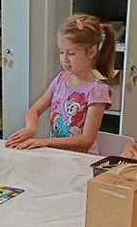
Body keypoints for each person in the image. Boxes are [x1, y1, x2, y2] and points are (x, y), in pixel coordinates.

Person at [6, 14, 114, 154]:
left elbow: (86, 140)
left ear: (92, 52)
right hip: (58, 156)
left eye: (71, 53)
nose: (65, 59)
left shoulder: (97, 90)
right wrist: (31, 128)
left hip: (81, 160)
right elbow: (34, 111)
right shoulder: (60, 80)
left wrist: (45, 142)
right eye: (62, 52)